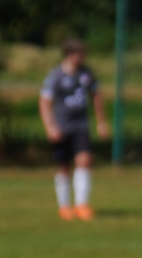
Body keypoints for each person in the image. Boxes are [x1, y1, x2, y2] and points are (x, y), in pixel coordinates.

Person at [39, 39, 109, 221]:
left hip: (81, 126)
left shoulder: (86, 74)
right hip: (62, 127)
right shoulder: (55, 75)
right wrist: (50, 126)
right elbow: (45, 102)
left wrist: (101, 122)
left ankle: (81, 204)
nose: (82, 58)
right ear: (70, 55)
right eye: (79, 54)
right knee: (64, 166)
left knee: (84, 160)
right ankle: (64, 206)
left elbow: (96, 97)